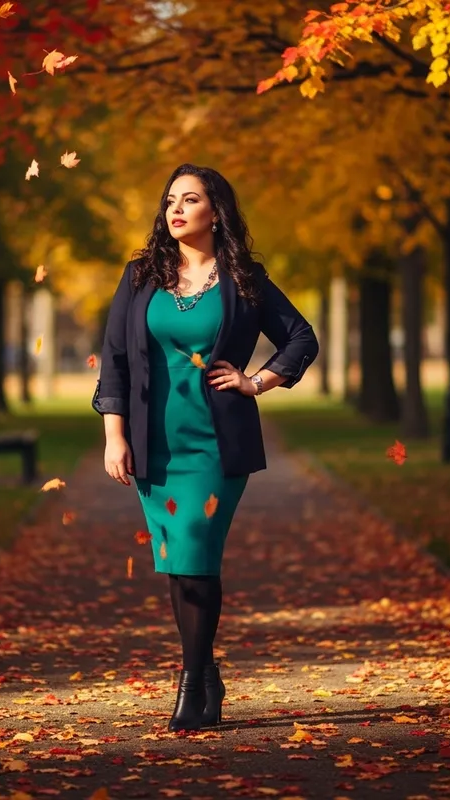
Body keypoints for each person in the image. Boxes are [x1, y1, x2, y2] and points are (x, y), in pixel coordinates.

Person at [92, 164, 319, 732]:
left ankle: (193, 682)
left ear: (215, 211)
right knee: (178, 562)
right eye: (170, 199)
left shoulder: (244, 279)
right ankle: (205, 671)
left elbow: (301, 337)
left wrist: (257, 381)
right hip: (153, 443)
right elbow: (115, 358)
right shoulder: (141, 275)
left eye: (190, 200)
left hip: (217, 444)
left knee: (195, 547)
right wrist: (114, 434)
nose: (176, 209)